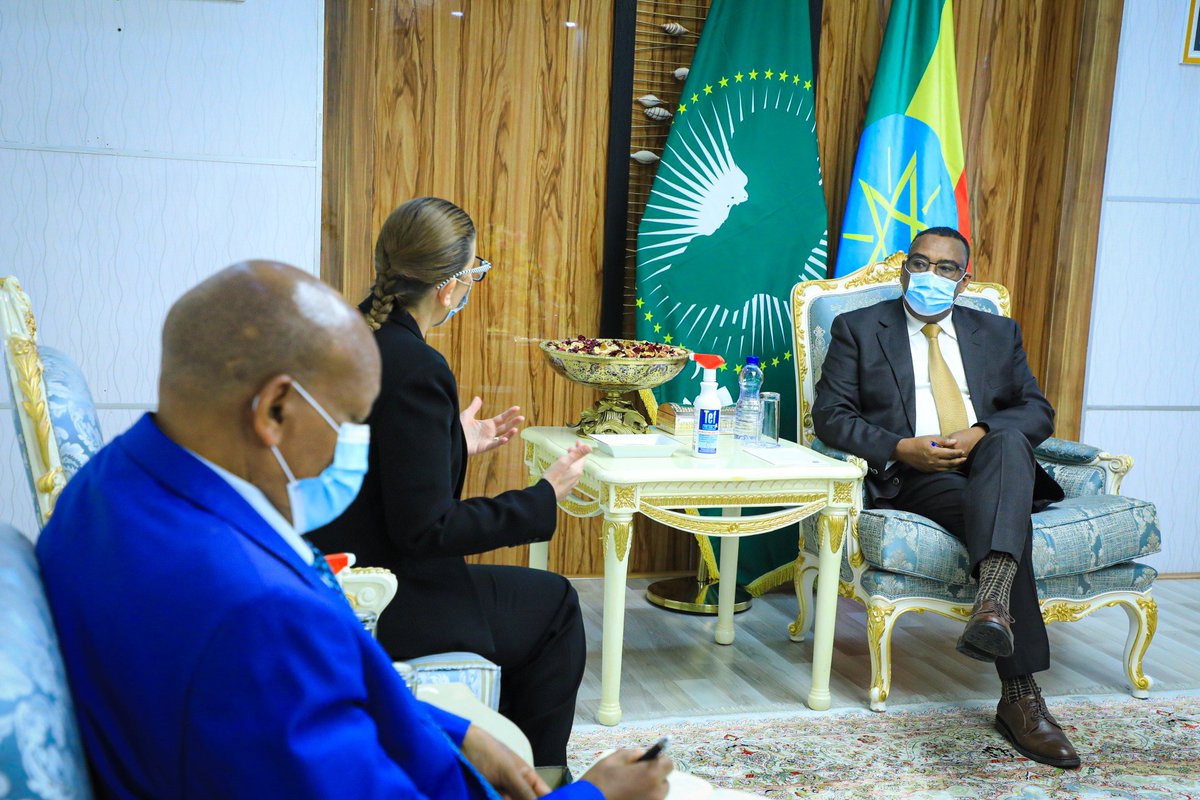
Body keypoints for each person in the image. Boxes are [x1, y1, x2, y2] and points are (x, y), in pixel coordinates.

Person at [36, 261, 670, 799]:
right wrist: (594, 794)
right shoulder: (256, 617)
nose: (354, 450)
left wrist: (455, 731)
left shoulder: (106, 486)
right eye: (349, 422)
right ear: (275, 409)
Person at [311, 198, 591, 767]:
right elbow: (426, 530)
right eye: (474, 272)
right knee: (556, 604)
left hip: (332, 565)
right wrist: (541, 498)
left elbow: (374, 464)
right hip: (381, 593)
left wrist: (453, 441)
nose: (471, 285)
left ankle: (494, 764)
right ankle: (534, 781)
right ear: (449, 287)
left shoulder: (347, 336)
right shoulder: (416, 366)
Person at [812, 227, 1079, 769]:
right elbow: (830, 417)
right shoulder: (859, 328)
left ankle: (993, 606)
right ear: (903, 269)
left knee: (1007, 441)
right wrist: (900, 447)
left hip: (993, 464)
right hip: (918, 473)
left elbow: (1036, 411)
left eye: (946, 268)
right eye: (920, 263)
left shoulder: (997, 332)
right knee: (1006, 523)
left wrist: (980, 433)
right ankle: (1021, 696)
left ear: (964, 280)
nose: (930, 275)